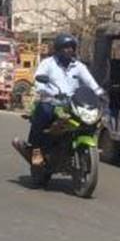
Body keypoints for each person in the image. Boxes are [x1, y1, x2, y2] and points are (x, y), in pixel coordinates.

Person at [20, 33, 103, 165]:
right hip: (52, 101)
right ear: (58, 49)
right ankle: (36, 151)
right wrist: (47, 92)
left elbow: (90, 82)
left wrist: (100, 92)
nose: (69, 50)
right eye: (66, 47)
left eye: (71, 47)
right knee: (43, 114)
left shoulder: (79, 66)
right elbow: (38, 80)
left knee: (89, 120)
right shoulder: (48, 63)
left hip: (72, 103)